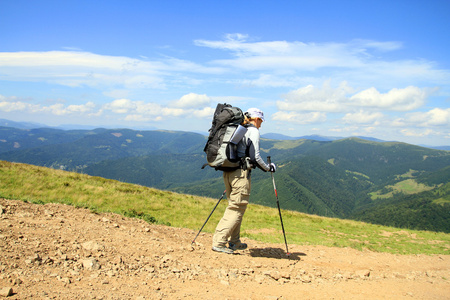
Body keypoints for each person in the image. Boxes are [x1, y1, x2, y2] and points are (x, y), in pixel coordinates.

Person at [212, 107, 276, 254]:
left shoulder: (239, 129)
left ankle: (234, 242)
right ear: (257, 119)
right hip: (240, 174)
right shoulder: (253, 131)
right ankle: (219, 242)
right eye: (261, 121)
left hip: (228, 172)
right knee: (236, 208)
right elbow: (255, 157)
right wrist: (268, 168)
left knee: (235, 208)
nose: (261, 124)